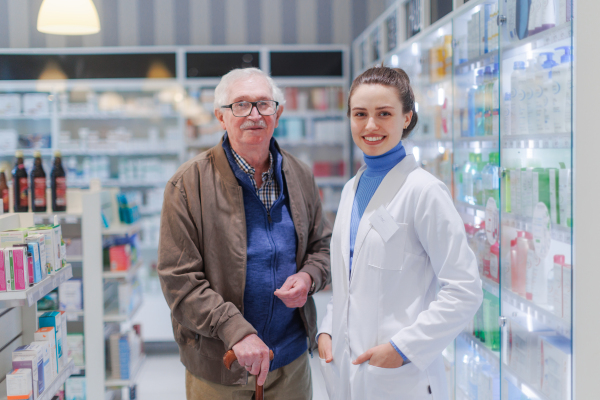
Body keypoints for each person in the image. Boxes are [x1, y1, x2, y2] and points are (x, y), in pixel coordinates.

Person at [158, 67, 332, 400]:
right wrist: (236, 333)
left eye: (263, 104)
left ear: (278, 114)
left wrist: (310, 277)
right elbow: (178, 279)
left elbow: (322, 248)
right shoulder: (187, 185)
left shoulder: (300, 176)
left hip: (291, 362)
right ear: (221, 117)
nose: (253, 114)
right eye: (240, 105)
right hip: (221, 364)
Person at [317, 66, 483, 400]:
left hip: (399, 377)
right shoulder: (351, 189)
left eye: (384, 114)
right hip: (347, 368)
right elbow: (349, 278)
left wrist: (404, 348)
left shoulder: (424, 191)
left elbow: (465, 290)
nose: (371, 126)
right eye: (360, 114)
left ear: (406, 118)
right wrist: (327, 329)